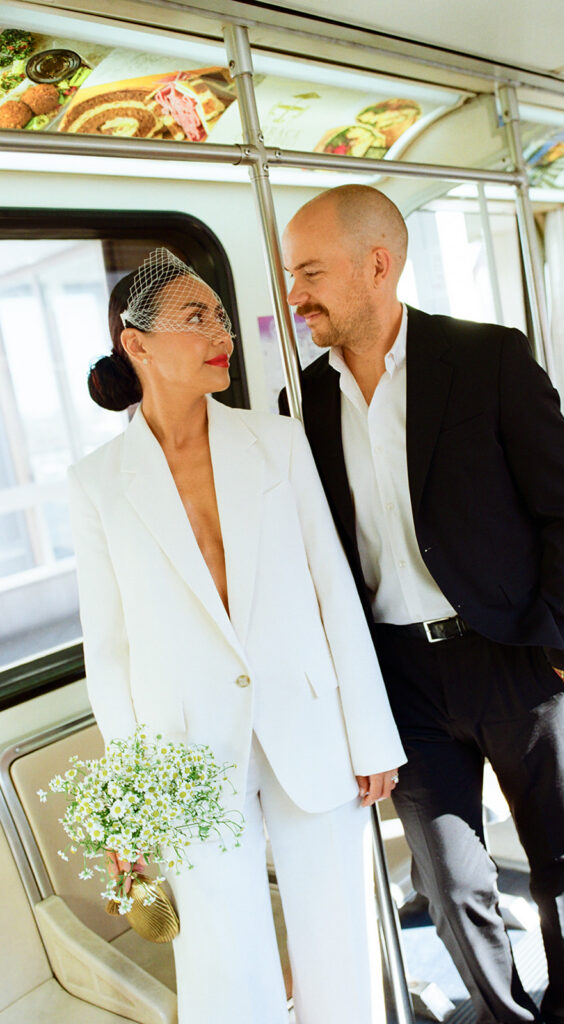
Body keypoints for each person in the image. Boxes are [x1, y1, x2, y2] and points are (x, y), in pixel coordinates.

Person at [280, 185, 564, 1024]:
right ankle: (507, 1018)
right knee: (453, 881)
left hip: (510, 653)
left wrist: (560, 644)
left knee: (557, 856)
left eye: (309, 272)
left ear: (376, 264)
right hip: (401, 679)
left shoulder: (487, 359)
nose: (293, 294)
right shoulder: (299, 407)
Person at [68, 247, 405, 1024]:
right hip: (182, 752)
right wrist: (132, 801)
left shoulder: (276, 443)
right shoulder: (96, 484)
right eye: (196, 316)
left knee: (338, 937)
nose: (219, 330)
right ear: (137, 344)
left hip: (311, 725)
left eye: (220, 314)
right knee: (221, 952)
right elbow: (109, 649)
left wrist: (371, 737)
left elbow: (332, 594)